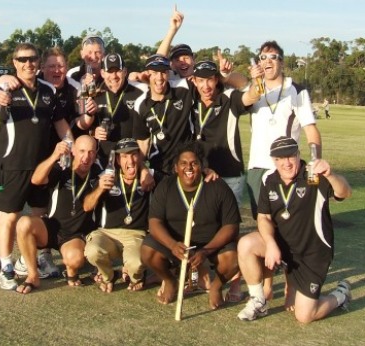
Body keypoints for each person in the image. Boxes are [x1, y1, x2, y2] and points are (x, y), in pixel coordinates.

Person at [0, 47, 97, 278]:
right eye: (23, 59)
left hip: (45, 160)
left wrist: (74, 148)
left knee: (40, 209)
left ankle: (37, 255)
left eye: (60, 65)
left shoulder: (57, 90)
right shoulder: (10, 83)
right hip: (14, 161)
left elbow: (66, 122)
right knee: (9, 211)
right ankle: (1, 255)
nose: (56, 69)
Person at [237, 136, 352, 323]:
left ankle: (340, 295)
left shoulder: (313, 175)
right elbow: (263, 217)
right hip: (284, 248)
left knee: (304, 316)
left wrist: (330, 175)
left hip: (312, 254)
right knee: (246, 244)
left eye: (290, 156)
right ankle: (259, 301)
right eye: (280, 158)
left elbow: (345, 192)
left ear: (298, 155)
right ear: (274, 160)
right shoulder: (270, 180)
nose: (286, 163)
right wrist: (271, 244)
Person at [245, 40, 323, 303]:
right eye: (263, 57)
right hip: (257, 168)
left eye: (274, 57)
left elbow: (311, 131)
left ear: (282, 61)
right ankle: (267, 285)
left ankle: (291, 285)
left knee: (288, 230)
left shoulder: (296, 91)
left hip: (286, 170)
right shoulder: (254, 89)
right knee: (264, 229)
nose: (268, 61)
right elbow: (233, 83)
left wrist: (314, 163)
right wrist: (228, 73)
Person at [141, 141, 241, 310]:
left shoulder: (217, 186)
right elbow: (154, 222)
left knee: (233, 258)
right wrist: (172, 245)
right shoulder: (166, 186)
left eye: (194, 163)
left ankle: (216, 286)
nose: (189, 168)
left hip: (209, 243)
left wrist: (206, 250)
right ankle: (170, 281)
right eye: (184, 164)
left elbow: (231, 226)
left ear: (202, 166)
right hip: (177, 242)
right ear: (175, 168)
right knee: (147, 251)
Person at [15, 135, 99, 293]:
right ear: (73, 150)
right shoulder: (62, 168)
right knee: (23, 224)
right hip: (52, 228)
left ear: (96, 154)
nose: (86, 157)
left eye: (91, 152)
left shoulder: (97, 174)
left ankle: (71, 271)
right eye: (81, 151)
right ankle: (33, 276)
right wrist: (54, 156)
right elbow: (36, 179)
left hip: (75, 235)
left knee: (74, 259)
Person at [83, 138, 151, 293]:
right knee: (92, 251)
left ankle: (137, 277)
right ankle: (109, 276)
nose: (130, 160)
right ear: (118, 160)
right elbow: (87, 206)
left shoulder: (148, 177)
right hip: (107, 234)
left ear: (139, 157)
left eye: (133, 155)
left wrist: (208, 171)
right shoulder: (107, 177)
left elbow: (174, 179)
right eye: (125, 156)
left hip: (135, 235)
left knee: (136, 262)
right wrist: (100, 189)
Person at [191, 60, 261, 206]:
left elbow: (252, 96)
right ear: (194, 81)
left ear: (216, 79)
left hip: (230, 175)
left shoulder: (229, 97)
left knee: (230, 223)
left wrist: (256, 80)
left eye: (210, 79)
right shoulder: (190, 102)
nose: (206, 86)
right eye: (201, 81)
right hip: (201, 173)